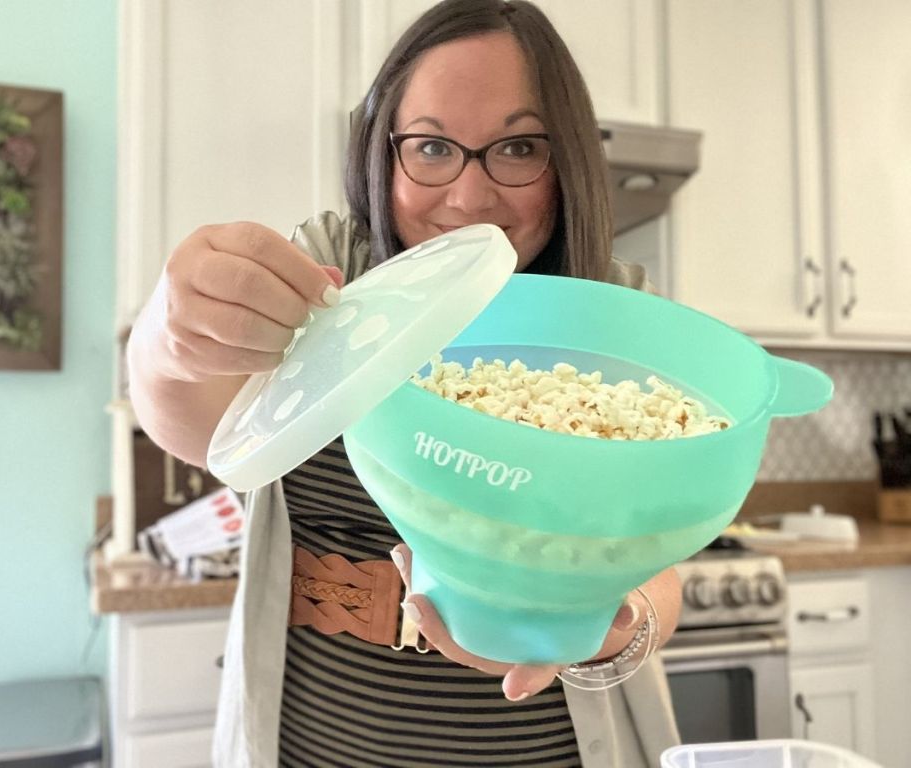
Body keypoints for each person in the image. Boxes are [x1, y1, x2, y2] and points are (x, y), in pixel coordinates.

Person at [127, 1, 684, 765]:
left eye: (518, 147)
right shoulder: (334, 274)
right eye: (430, 148)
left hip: (549, 743)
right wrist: (169, 333)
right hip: (317, 739)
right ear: (382, 153)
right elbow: (199, 427)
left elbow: (658, 564)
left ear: (568, 163)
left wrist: (618, 630)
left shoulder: (618, 319)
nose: (468, 196)